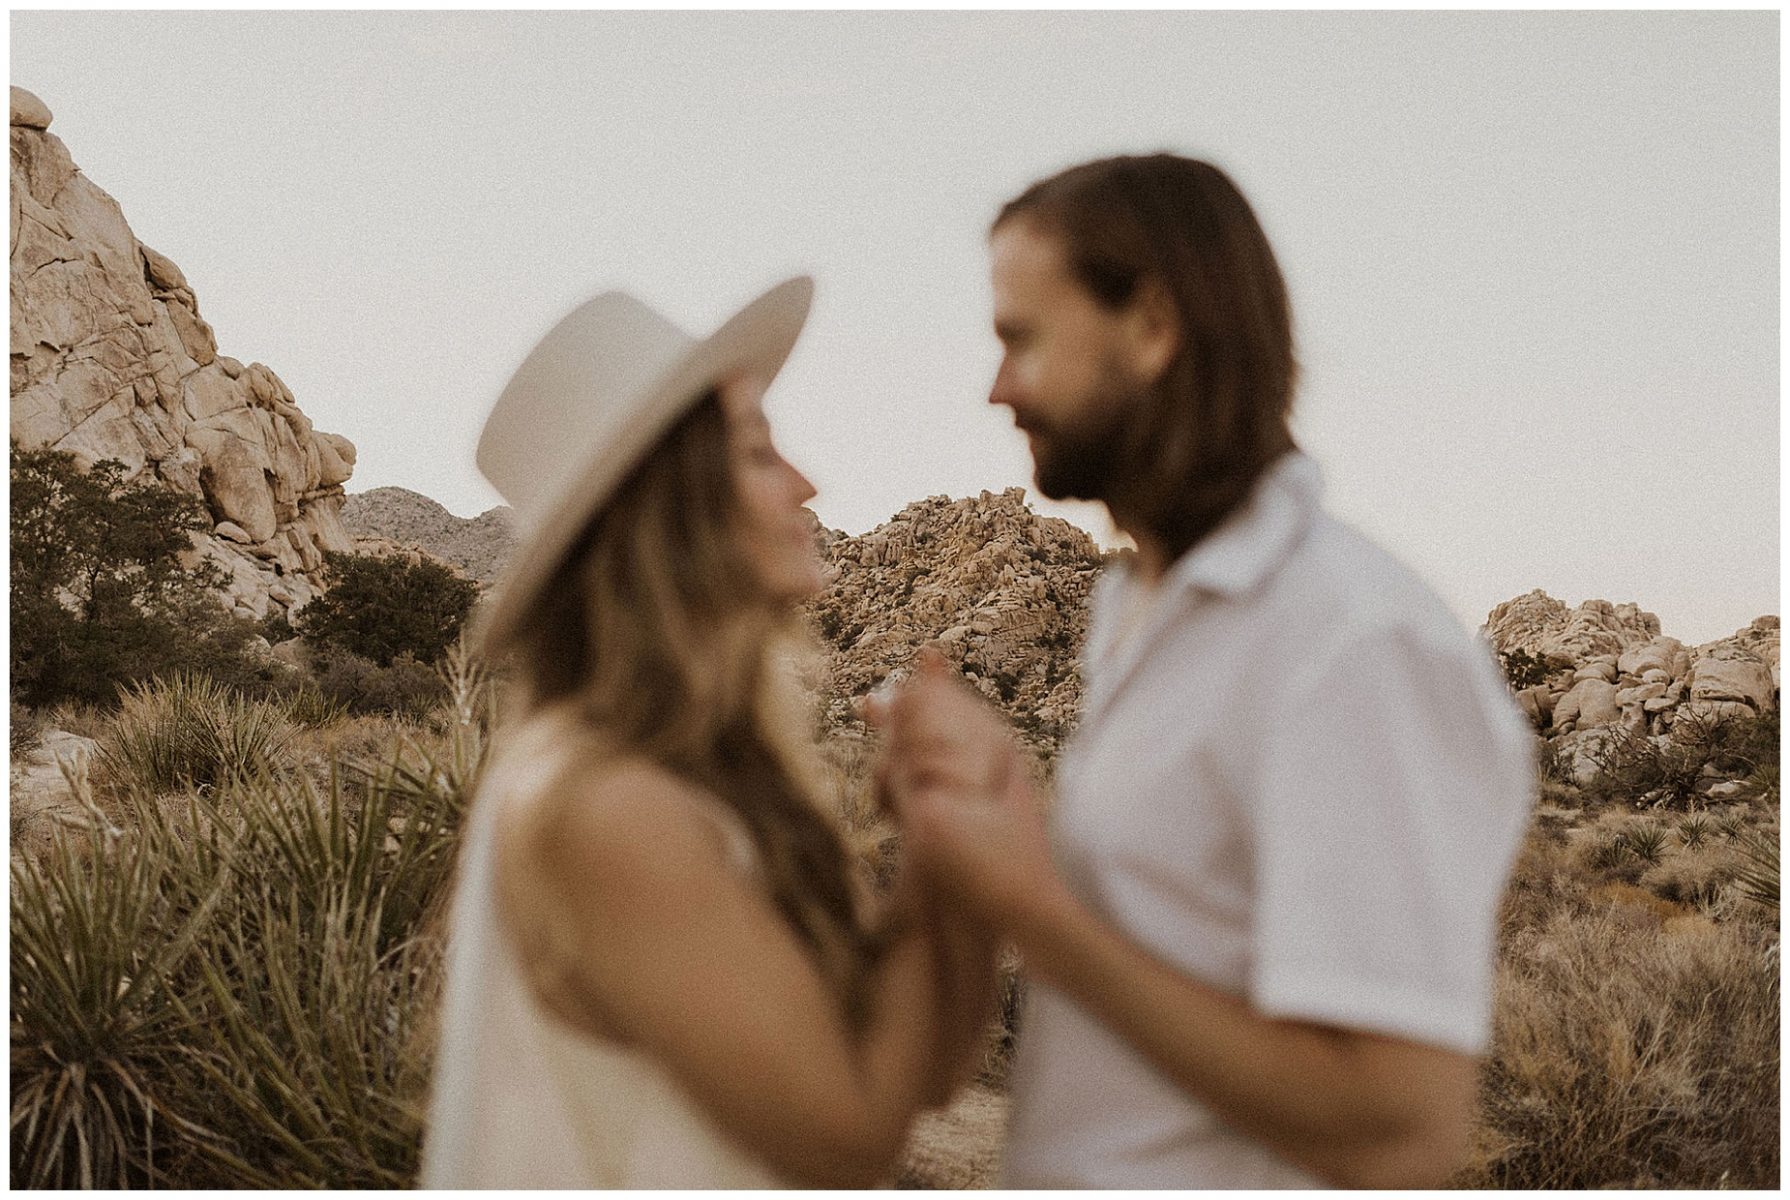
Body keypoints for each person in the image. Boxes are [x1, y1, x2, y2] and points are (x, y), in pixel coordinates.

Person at [878, 155, 1535, 1188]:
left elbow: (1395, 1132)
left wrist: (1033, 905)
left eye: (1021, 338)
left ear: (1149, 325)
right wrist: (994, 805)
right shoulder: (1139, 611)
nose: (994, 387)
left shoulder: (1350, 644)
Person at [421, 278, 995, 1188]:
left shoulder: (695, 773)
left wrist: (953, 833)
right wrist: (951, 848)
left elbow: (916, 1073)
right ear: (672, 509)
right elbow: (848, 1138)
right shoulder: (607, 804)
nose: (808, 483)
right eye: (759, 453)